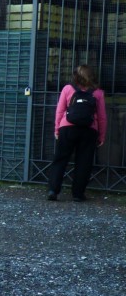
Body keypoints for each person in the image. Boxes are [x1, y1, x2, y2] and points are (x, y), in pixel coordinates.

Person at [47, 64, 107, 202]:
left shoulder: (68, 89)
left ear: (75, 76)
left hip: (67, 128)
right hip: (89, 130)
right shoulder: (98, 93)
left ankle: (53, 190)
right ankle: (78, 194)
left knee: (60, 159)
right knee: (84, 162)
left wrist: (57, 129)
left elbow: (60, 110)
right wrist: (101, 136)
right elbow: (102, 117)